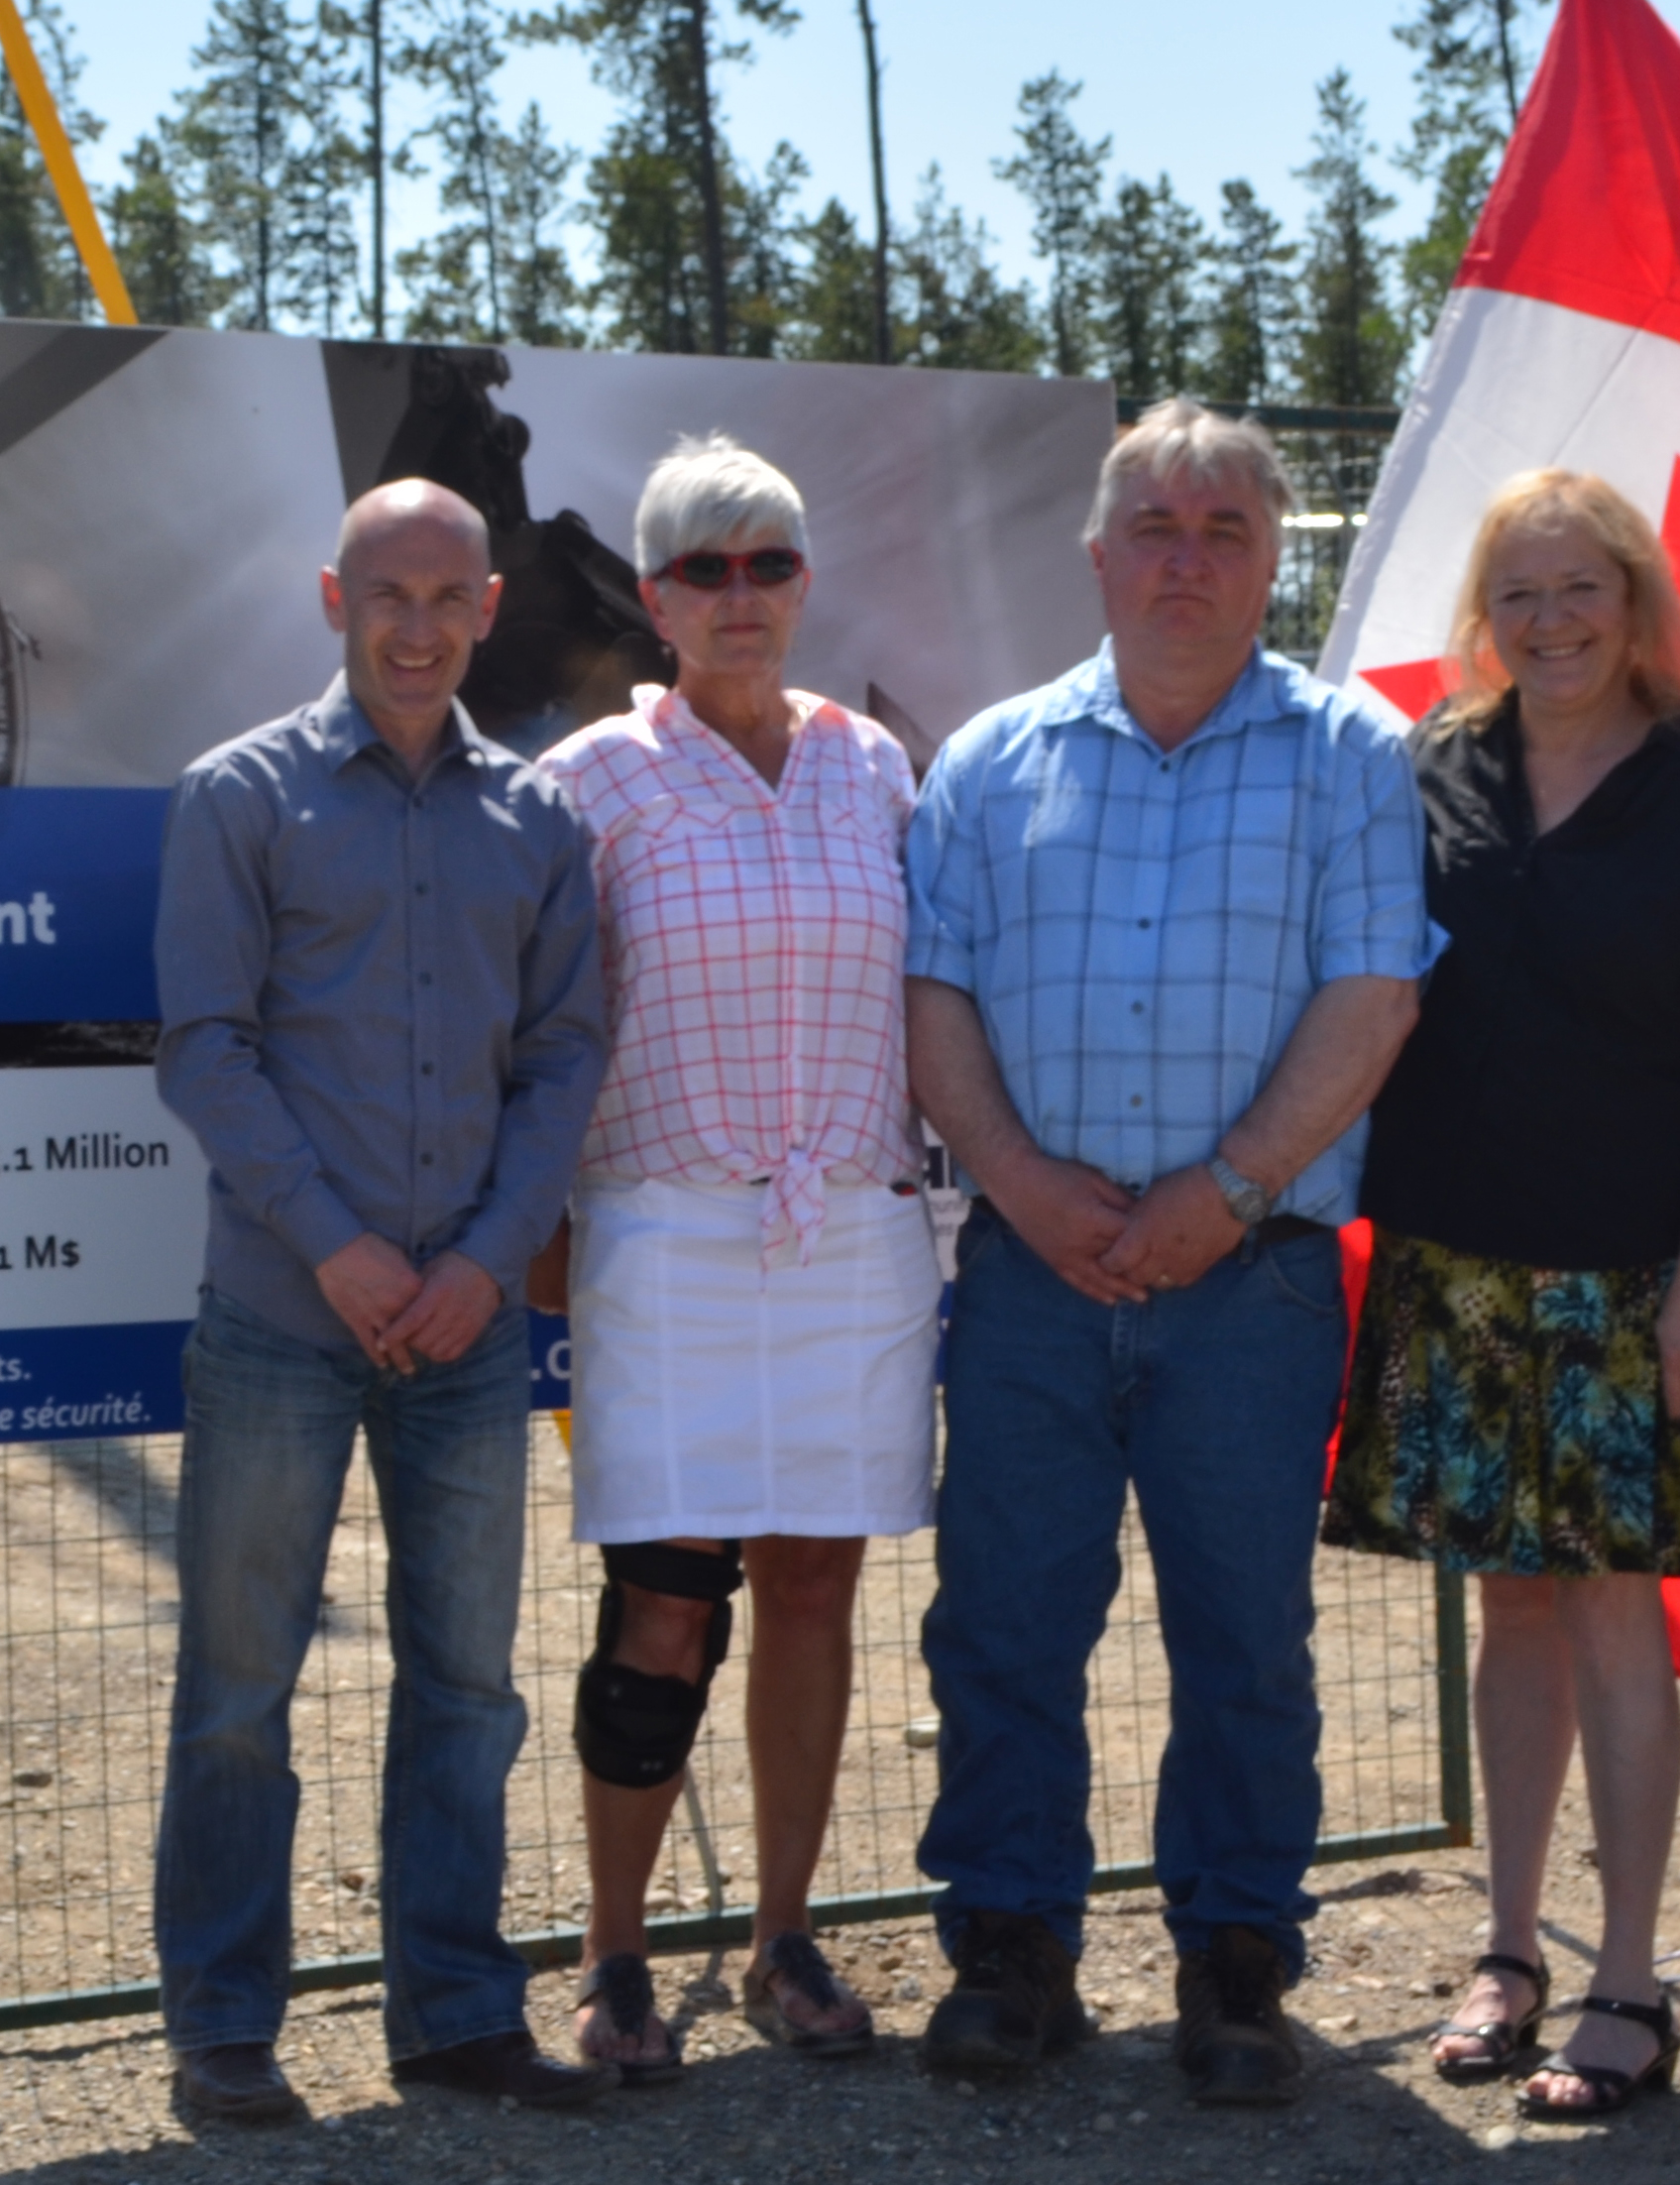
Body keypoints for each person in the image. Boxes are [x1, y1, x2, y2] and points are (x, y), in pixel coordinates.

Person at [903, 398, 1435, 2106]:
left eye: (1225, 529)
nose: (1188, 559)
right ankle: (1013, 1947)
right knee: (1000, 1622)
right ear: (1098, 555)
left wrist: (1232, 1179)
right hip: (1031, 1279)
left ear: (1276, 555)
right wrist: (1013, 1176)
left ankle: (1236, 1960)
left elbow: (1376, 994)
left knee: (1245, 1638)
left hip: (1254, 1277)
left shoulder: (1351, 751)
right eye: (1157, 526)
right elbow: (935, 998)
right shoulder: (990, 762)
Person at [1321, 469, 1680, 2119]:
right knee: (1507, 1600)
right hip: (1449, 1262)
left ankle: (1628, 1983)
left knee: (1613, 1609)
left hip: (1631, 1279)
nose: (1550, 621)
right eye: (1517, 594)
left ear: (1634, 598)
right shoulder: (1426, 774)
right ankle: (1510, 1949)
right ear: (1485, 613)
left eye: (1579, 588)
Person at [153, 480, 610, 2120]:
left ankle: (455, 2015)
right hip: (286, 1315)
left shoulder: (541, 824)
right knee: (236, 1691)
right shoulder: (241, 798)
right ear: (333, 597)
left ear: (490, 609)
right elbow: (205, 1044)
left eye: (448, 598)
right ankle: (221, 2025)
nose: (416, 628)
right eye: (386, 596)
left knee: (469, 1687)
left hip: (470, 1333)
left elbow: (565, 1057)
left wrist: (487, 1260)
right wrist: (340, 1246)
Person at [529, 435, 940, 2078]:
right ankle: (614, 1953)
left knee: (819, 1588)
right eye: (706, 567)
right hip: (666, 1226)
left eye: (769, 561)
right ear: (654, 598)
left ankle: (782, 1933)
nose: (742, 594)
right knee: (666, 1600)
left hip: (850, 1226)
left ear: (804, 582)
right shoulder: (587, 784)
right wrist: (549, 1229)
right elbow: (543, 1024)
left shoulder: (876, 771)